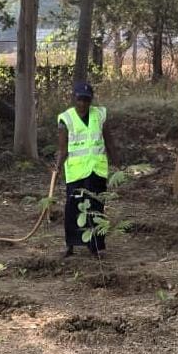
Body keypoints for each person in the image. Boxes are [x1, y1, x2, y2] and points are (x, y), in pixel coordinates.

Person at [54, 81, 117, 258]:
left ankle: (95, 246)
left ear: (91, 100)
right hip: (76, 173)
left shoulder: (100, 115)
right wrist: (57, 167)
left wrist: (118, 164)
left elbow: (109, 141)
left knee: (97, 208)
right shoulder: (66, 119)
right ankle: (71, 244)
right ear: (74, 99)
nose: (83, 103)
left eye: (87, 100)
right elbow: (62, 148)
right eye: (80, 99)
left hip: (97, 170)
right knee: (73, 207)